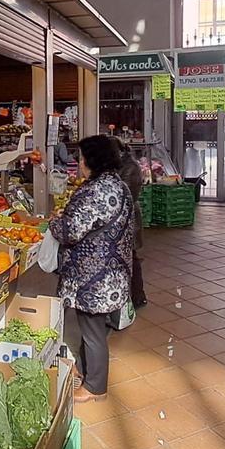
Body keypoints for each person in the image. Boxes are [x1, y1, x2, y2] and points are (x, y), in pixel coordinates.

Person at [49, 135, 134, 404]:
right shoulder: (116, 185)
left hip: (94, 276)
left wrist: (54, 223)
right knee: (92, 328)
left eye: (82, 157)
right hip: (109, 272)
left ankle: (95, 387)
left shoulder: (95, 190)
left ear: (93, 160)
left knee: (93, 332)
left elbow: (72, 230)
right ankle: (87, 373)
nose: (79, 162)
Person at [111, 137, 147, 308]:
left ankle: (138, 296)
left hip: (128, 219)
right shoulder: (120, 165)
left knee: (131, 258)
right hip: (122, 218)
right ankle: (130, 296)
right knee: (128, 258)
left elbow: (123, 195)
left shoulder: (130, 167)